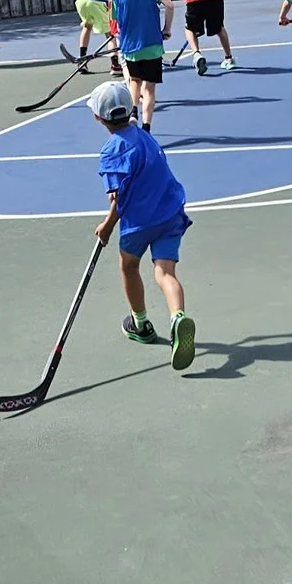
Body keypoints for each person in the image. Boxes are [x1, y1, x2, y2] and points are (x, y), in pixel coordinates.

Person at [89, 78, 194, 371]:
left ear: (98, 118)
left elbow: (118, 196)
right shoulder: (143, 134)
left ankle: (141, 324)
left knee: (129, 267)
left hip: (140, 222)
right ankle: (178, 318)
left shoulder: (112, 151)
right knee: (165, 273)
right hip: (170, 212)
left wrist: (108, 224)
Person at [107, 0, 174, 129]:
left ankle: (133, 111)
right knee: (150, 87)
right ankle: (147, 126)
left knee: (134, 81)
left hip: (130, 47)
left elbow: (114, 22)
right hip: (152, 45)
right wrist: (166, 29)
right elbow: (169, 5)